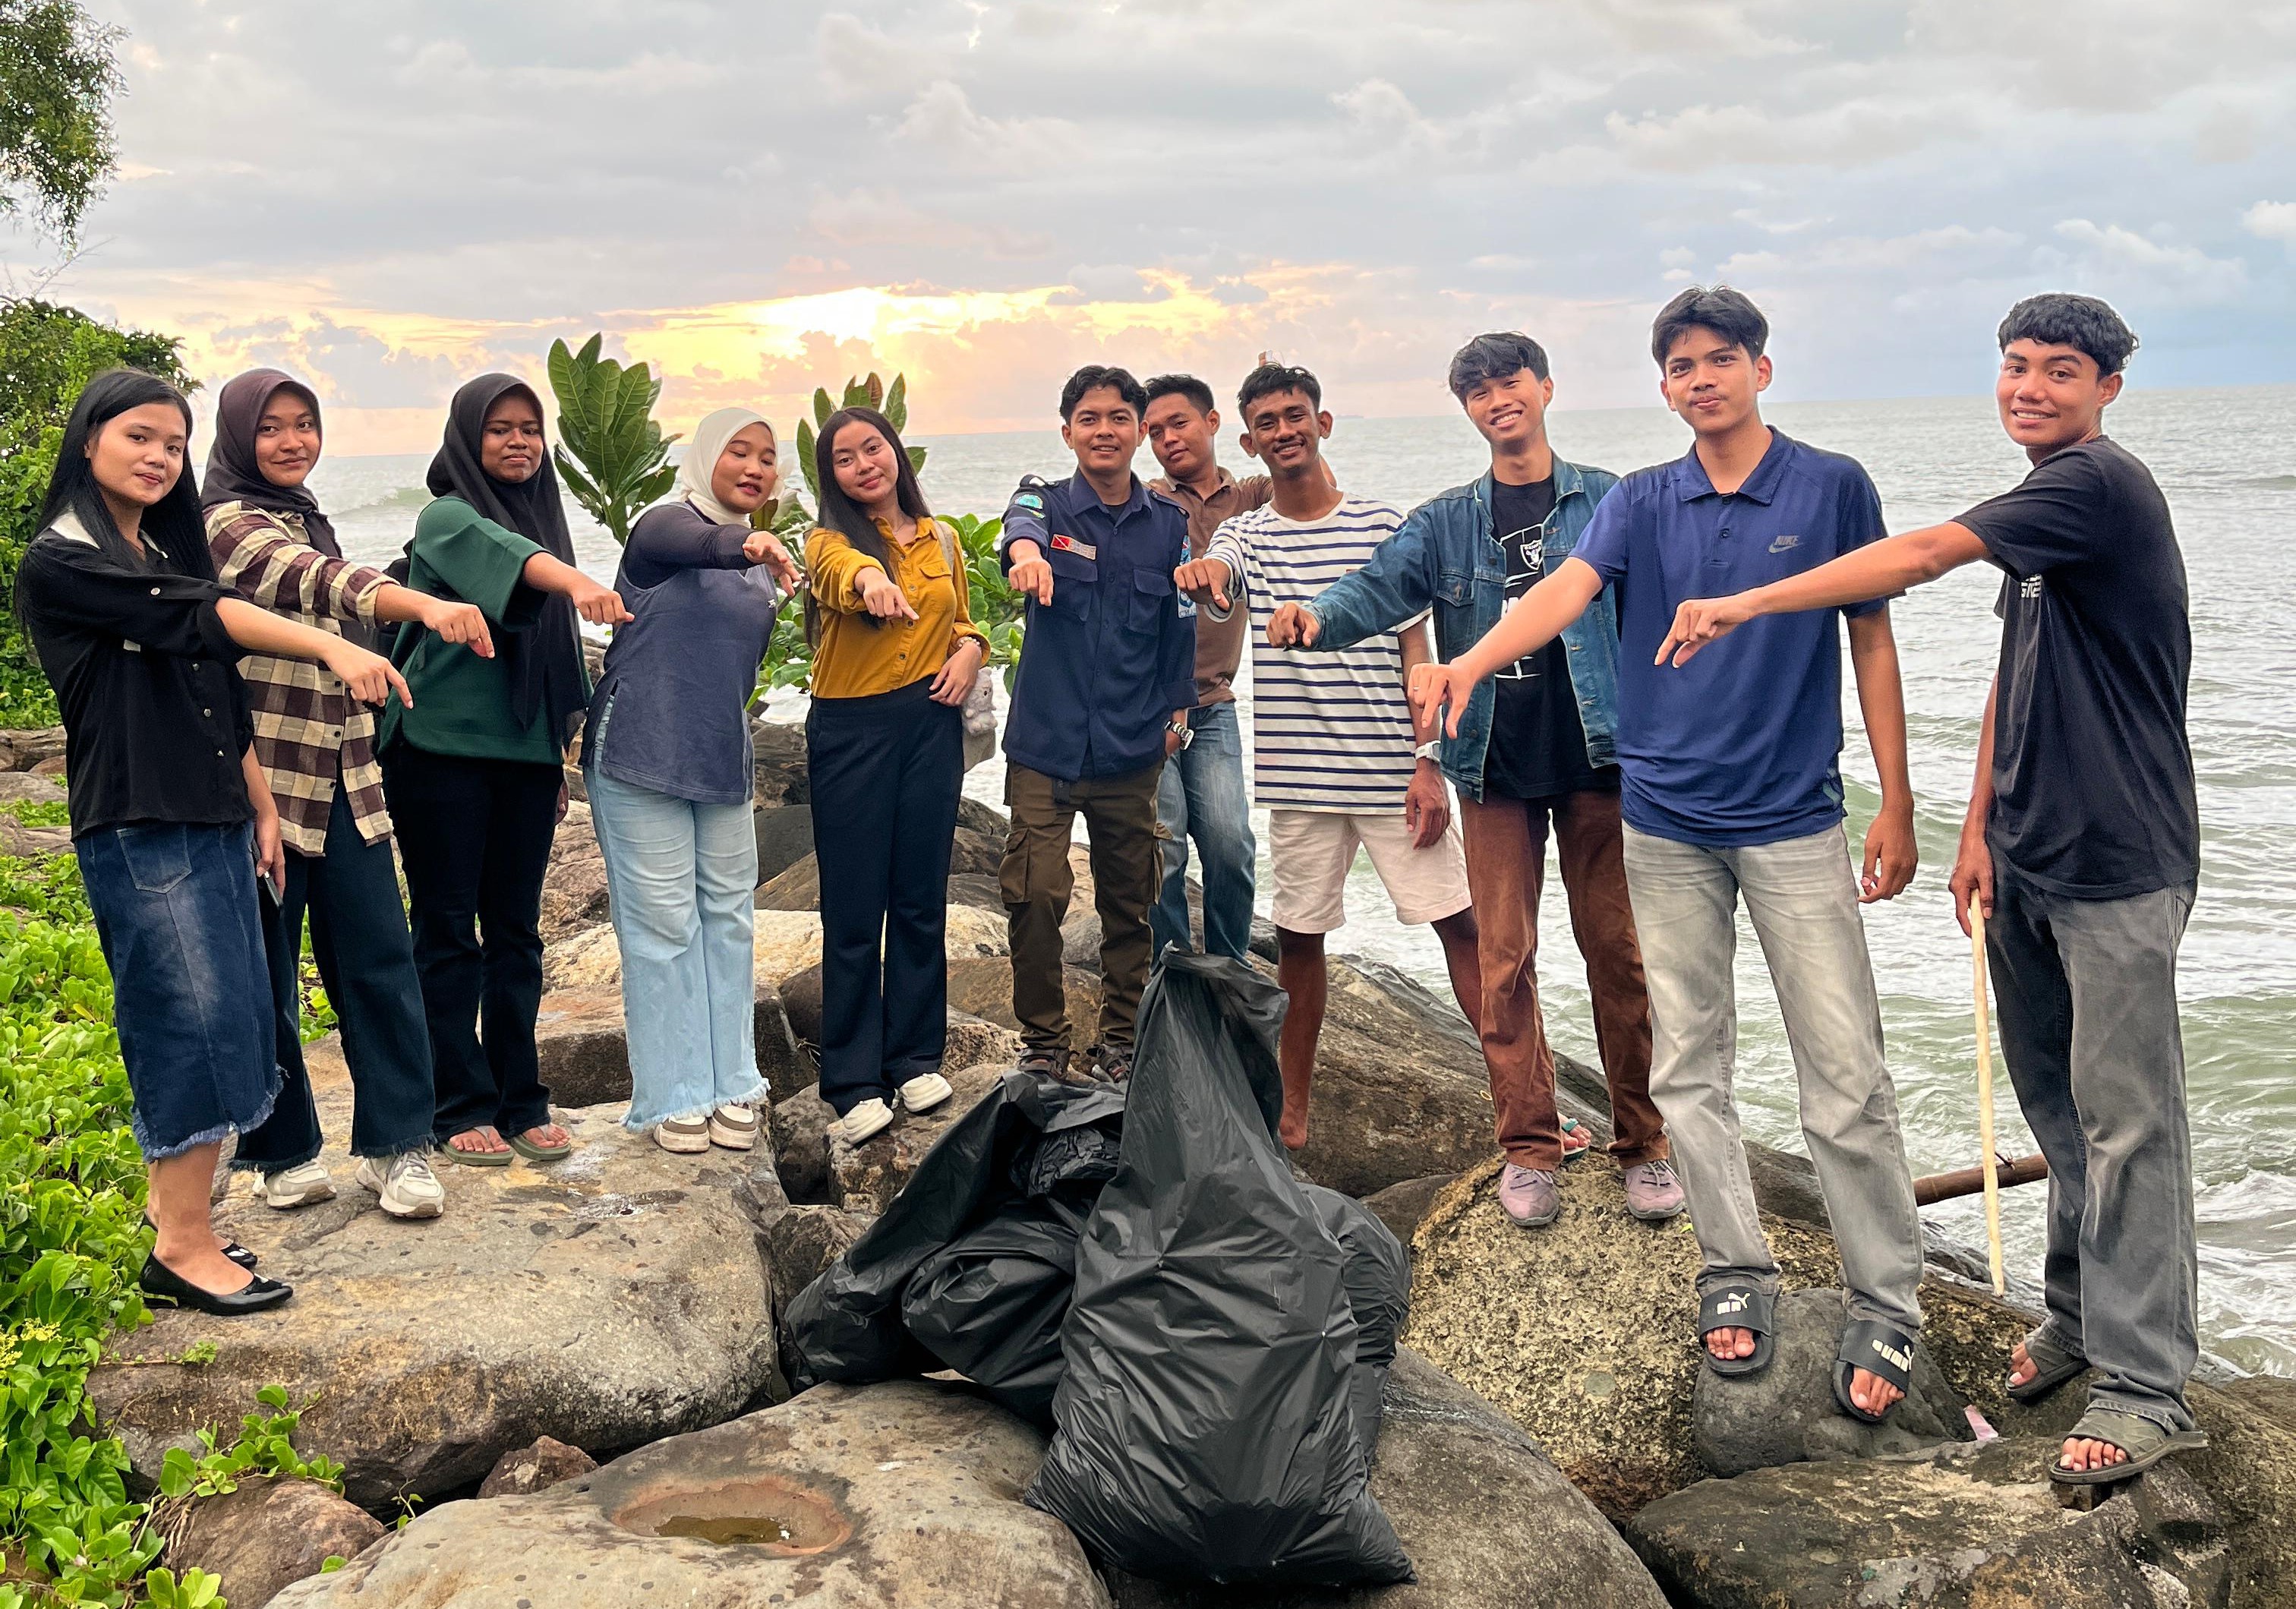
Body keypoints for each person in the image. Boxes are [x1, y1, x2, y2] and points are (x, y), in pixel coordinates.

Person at [1654, 293, 2204, 1485]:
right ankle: (2076, 1317)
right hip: (2032, 853)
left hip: (2120, 860)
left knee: (2130, 1122)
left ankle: (2150, 1378)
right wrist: (1979, 827)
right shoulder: (2053, 510)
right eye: (2016, 366)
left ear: (2109, 386)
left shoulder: (2095, 484)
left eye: (2063, 370)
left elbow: (1916, 557)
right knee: (2061, 1113)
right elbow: (2025, 663)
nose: (2033, 387)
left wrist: (1746, 598)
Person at [1411, 288, 1924, 1425]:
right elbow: (1562, 592)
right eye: (1682, 365)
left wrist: (1894, 798)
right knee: (1692, 1061)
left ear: (1761, 369)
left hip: (1795, 817)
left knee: (1844, 1075)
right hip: (1665, 817)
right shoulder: (1641, 500)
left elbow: (1874, 635)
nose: (1702, 378)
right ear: (1663, 387)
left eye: (1722, 359)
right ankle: (1732, 1261)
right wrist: (1467, 663)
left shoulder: (1833, 484)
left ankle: (1887, 1292)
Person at [19, 368, 413, 1314]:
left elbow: (214, 690)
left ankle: (179, 1226)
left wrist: (266, 807)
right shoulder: (64, 558)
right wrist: (328, 643)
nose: (158, 457)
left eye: (171, 443)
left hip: (217, 811)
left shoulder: (158, 541)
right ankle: (184, 1246)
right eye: (138, 438)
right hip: (141, 817)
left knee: (235, 1012)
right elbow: (196, 620)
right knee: (183, 1022)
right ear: (88, 442)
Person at [1269, 333, 1682, 1226]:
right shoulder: (1447, 520)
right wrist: (1316, 617)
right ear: (1467, 409)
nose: (1499, 400)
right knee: (1504, 960)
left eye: (1510, 383)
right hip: (1492, 765)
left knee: (1619, 954)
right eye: (1480, 391)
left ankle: (1643, 1141)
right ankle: (1529, 1146)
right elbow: (1376, 592)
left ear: (1544, 388)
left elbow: (1658, 608)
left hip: (1600, 762)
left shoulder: (1608, 499)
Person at [203, 368, 494, 1223]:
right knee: (265, 976)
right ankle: (280, 1151)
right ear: (238, 438)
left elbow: (327, 571)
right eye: (273, 428)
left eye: (305, 424)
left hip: (347, 779)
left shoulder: (309, 517)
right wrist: (419, 603)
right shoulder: (224, 523)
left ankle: (398, 1145)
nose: (293, 441)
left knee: (380, 961)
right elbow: (312, 580)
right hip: (264, 786)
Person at [1176, 362, 1481, 1150]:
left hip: (1390, 771)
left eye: (1295, 415)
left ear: (1324, 422)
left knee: (1463, 928)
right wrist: (1208, 574)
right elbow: (1223, 576)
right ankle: (1294, 1108)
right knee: (1301, 941)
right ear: (1248, 440)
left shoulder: (1383, 525)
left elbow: (1420, 647)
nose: (1284, 431)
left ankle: (1532, 1092)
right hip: (1299, 779)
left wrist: (1429, 760)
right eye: (1267, 422)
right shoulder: (1244, 532)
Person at [379, 374, 631, 1168]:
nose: (518, 442)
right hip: (438, 750)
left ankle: (522, 1098)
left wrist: (557, 760)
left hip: (522, 758)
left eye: (529, 429)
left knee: (517, 934)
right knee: (450, 931)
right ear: (466, 440)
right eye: (500, 430)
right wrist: (580, 580)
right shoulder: (446, 517)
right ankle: (459, 1103)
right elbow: (514, 564)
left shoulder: (540, 520)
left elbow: (554, 664)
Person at [585, 406, 801, 1155]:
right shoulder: (661, 532)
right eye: (737, 451)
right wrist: (749, 543)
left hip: (720, 756)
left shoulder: (763, 575)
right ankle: (675, 1091)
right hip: (642, 747)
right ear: (706, 456)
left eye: (767, 457)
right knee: (663, 926)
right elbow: (693, 542)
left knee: (730, 919)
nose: (754, 466)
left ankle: (734, 1080)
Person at [996, 365, 1194, 1084]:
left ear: (1140, 431)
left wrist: (1178, 716)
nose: (1104, 430)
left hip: (1129, 748)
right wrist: (1025, 557)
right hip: (1046, 745)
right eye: (1089, 418)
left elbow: (1178, 629)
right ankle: (1044, 1041)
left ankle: (1118, 1037)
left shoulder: (1169, 526)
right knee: (1037, 892)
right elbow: (1018, 528)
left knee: (1128, 900)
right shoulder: (1045, 505)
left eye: (1118, 417)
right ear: (1067, 431)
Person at [802, 407, 984, 1144]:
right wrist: (870, 575)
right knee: (853, 909)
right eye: (844, 458)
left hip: (930, 723)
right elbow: (840, 575)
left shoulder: (941, 538)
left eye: (872, 447)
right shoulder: (825, 543)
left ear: (896, 452)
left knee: (917, 898)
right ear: (833, 477)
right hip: (852, 731)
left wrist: (971, 651)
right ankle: (851, 1079)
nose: (863, 464)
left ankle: (913, 1057)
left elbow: (961, 619)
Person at [1140, 374, 1269, 963]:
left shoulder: (1250, 499)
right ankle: (1169, 982)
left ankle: (1229, 972)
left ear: (1213, 423)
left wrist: (1269, 402)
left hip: (1213, 703)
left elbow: (1309, 486)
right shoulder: (1147, 502)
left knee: (1230, 845)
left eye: (1179, 423)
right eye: (1154, 430)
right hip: (1146, 708)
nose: (1167, 438)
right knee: (1161, 848)